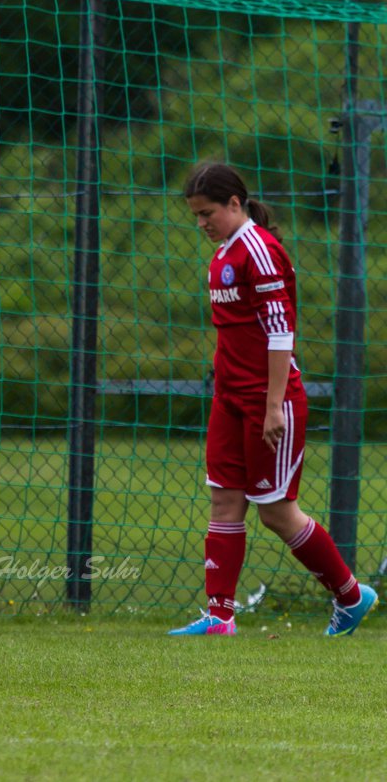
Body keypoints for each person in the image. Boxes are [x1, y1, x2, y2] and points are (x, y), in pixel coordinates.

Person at [169, 161, 375, 637]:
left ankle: (351, 596)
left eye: (207, 213)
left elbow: (281, 333)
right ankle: (219, 616)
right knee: (224, 502)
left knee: (276, 512)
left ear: (234, 204)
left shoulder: (258, 250)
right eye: (196, 215)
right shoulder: (224, 252)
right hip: (230, 399)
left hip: (269, 402)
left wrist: (272, 406)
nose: (201, 223)